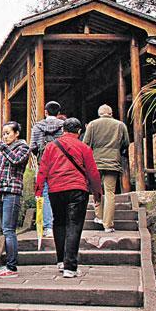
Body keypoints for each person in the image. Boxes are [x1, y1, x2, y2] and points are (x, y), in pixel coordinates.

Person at [35, 118, 102, 278]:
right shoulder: (84, 147)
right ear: (79, 131)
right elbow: (93, 172)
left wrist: (38, 191)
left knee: (58, 223)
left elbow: (42, 170)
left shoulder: (51, 146)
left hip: (55, 190)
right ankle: (70, 267)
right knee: (74, 226)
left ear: (63, 130)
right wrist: (97, 193)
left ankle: (60, 261)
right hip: (77, 189)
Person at [0, 121, 31, 278]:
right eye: (3, 133)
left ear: (17, 134)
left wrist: (1, 145)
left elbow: (16, 160)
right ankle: (10, 266)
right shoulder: (5, 149)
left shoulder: (23, 148)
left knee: (9, 230)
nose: (5, 136)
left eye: (8, 133)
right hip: (0, 191)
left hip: (12, 192)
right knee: (5, 229)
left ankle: (11, 267)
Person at [83, 104, 130, 233]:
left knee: (96, 190)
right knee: (110, 192)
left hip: (95, 162)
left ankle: (99, 216)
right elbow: (126, 143)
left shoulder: (92, 125)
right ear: (111, 113)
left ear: (99, 113)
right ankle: (108, 225)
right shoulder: (120, 125)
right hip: (113, 162)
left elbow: (85, 144)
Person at [29, 101, 65, 238]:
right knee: (59, 192)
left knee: (44, 193)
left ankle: (48, 227)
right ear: (58, 113)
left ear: (45, 112)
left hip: (43, 163)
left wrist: (40, 156)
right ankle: (59, 224)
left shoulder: (37, 126)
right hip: (60, 164)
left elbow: (33, 146)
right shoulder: (63, 126)